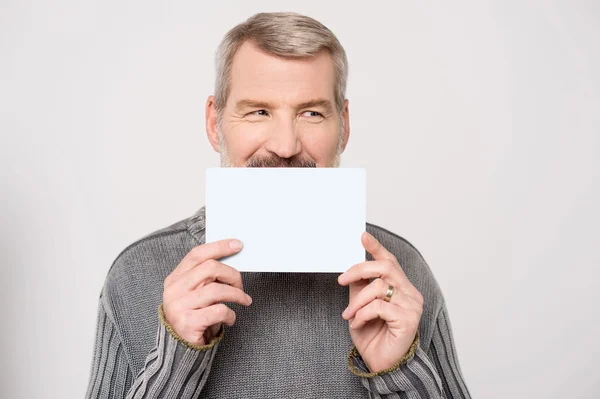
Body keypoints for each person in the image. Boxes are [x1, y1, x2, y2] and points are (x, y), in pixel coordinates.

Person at [85, 12, 471, 399]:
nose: (285, 147)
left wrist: (397, 371)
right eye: (258, 111)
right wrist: (175, 360)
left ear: (345, 125)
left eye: (312, 113)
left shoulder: (400, 274)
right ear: (214, 121)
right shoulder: (135, 274)